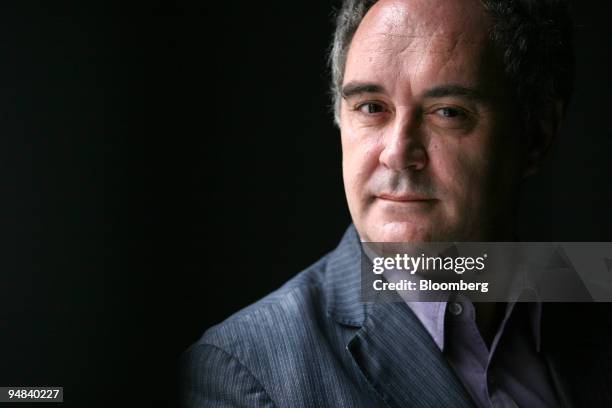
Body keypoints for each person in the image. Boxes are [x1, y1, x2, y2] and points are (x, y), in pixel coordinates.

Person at [180, 0, 612, 406]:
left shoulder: (589, 294)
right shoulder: (240, 373)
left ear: (536, 136)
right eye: (371, 107)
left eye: (448, 112)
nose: (398, 152)